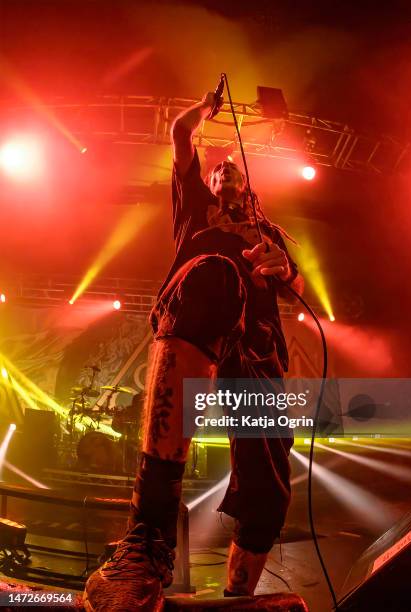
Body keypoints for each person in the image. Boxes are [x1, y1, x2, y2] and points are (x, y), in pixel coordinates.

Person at [83, 90, 304, 611]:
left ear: (246, 185)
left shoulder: (267, 228)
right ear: (207, 182)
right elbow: (180, 134)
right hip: (200, 314)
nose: (225, 171)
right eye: (218, 170)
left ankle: (236, 597)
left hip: (259, 352)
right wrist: (206, 108)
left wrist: (283, 267)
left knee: (269, 494)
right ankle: (146, 539)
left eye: (233, 171)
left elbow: (298, 287)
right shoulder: (194, 209)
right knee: (216, 277)